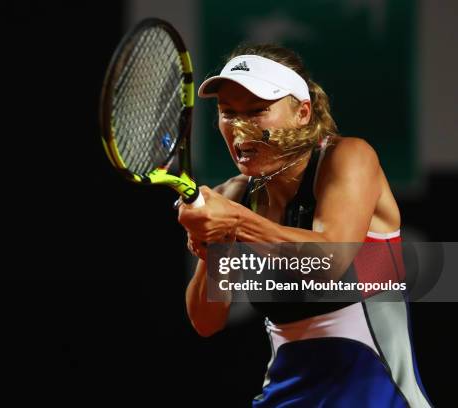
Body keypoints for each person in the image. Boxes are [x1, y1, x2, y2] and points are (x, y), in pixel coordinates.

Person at [177, 44, 432, 407]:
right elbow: (206, 321)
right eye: (227, 113)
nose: (239, 126)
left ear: (303, 112)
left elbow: (331, 260)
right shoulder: (233, 196)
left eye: (258, 111)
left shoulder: (349, 157)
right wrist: (213, 248)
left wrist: (236, 221)